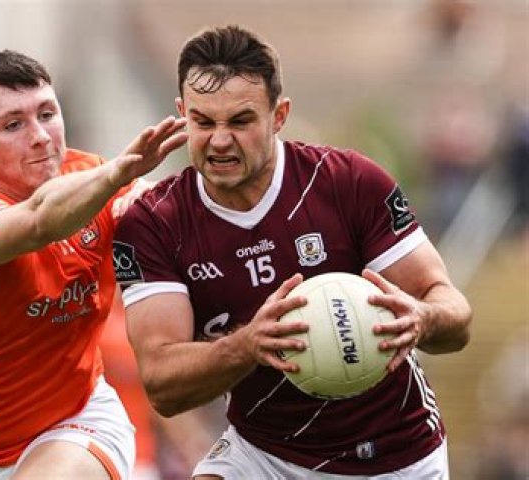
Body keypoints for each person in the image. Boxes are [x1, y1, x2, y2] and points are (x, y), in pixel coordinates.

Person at [113, 25, 472, 478]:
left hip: (396, 452)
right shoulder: (154, 222)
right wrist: (248, 344)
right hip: (264, 453)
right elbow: (163, 386)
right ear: (182, 114)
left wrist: (422, 317)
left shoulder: (348, 182)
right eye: (203, 122)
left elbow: (456, 317)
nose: (219, 140)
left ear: (279, 115)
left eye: (240, 121)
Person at [0, 49, 187, 480]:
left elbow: (178, 216)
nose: (40, 137)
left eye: (47, 114)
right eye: (13, 125)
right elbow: (37, 222)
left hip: (78, 417)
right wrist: (115, 178)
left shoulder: (96, 176)